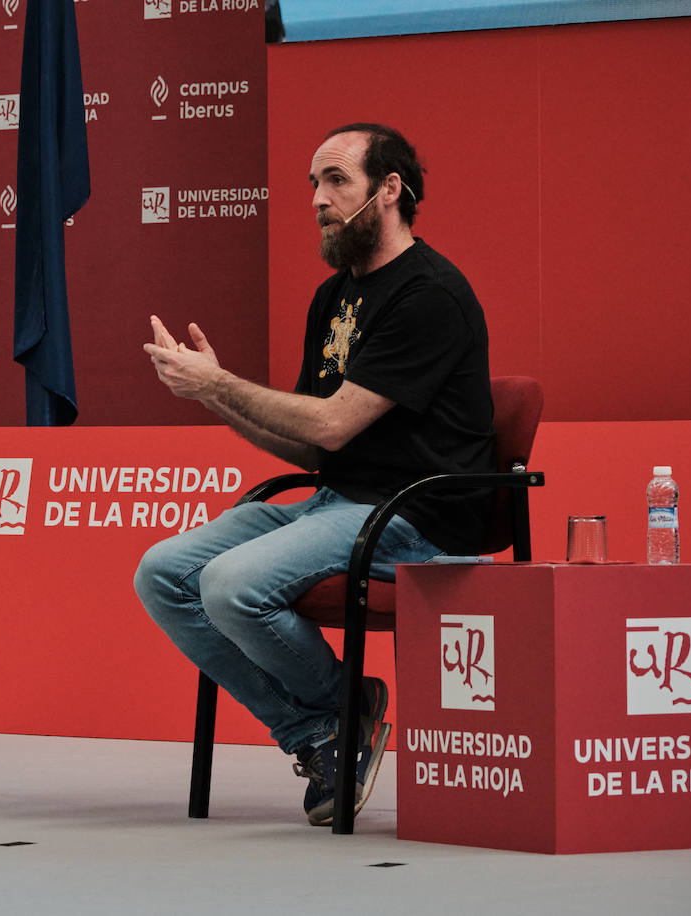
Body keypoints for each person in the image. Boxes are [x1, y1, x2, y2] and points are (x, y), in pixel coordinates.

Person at [135, 123, 494, 827]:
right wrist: (212, 394)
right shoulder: (334, 298)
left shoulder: (429, 294)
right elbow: (310, 445)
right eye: (313, 185)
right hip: (338, 502)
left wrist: (223, 382)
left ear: (389, 190)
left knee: (231, 583)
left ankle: (338, 713)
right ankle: (327, 728)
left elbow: (330, 424)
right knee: (163, 573)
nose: (318, 200)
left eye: (336, 181)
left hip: (416, 518)